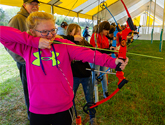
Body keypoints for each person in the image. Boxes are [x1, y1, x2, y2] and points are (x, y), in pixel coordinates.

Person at [0, 12, 128, 125]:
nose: (50, 35)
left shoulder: (64, 45)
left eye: (53, 30)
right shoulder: (26, 48)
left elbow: (88, 53)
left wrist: (114, 62)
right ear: (32, 32)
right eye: (44, 32)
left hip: (63, 108)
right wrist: (33, 42)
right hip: (37, 108)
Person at [5, 0, 39, 120]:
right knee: (29, 89)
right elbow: (8, 43)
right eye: (32, 4)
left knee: (37, 88)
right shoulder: (17, 19)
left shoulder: (36, 19)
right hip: (25, 62)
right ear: (24, 5)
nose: (35, 7)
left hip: (37, 61)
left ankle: (40, 112)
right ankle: (32, 116)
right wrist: (22, 59)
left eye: (36, 4)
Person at [65, 23, 97, 125]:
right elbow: (60, 39)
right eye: (77, 31)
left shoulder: (83, 42)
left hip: (86, 75)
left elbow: (94, 50)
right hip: (73, 76)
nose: (80, 33)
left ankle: (93, 118)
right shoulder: (66, 43)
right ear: (70, 33)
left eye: (80, 31)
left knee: (90, 98)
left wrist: (108, 51)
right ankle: (71, 117)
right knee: (70, 99)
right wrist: (72, 39)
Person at [90, 21, 115, 98]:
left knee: (104, 75)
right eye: (106, 30)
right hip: (96, 59)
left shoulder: (105, 37)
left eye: (108, 30)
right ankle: (92, 94)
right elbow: (97, 49)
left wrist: (111, 49)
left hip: (103, 59)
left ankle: (105, 92)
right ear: (102, 28)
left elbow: (105, 48)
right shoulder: (95, 35)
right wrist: (108, 50)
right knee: (95, 77)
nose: (107, 32)